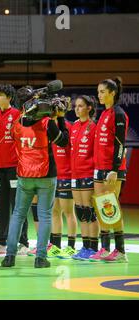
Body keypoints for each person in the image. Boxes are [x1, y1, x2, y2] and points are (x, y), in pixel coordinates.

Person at [1, 97, 69, 268]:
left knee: (18, 214)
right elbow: (63, 141)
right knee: (45, 215)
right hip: (46, 175)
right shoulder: (47, 123)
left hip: (24, 175)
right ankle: (40, 258)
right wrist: (60, 117)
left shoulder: (16, 123)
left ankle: (9, 256)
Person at [91, 77, 129, 263]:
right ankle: (105, 248)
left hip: (112, 169)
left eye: (103, 92)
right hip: (99, 168)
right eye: (98, 92)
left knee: (111, 208)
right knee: (101, 208)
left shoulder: (118, 114)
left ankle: (120, 250)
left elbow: (120, 144)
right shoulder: (104, 113)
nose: (99, 95)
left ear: (112, 93)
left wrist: (114, 169)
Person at [0, 84, 29, 254]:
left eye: (1, 95)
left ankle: (23, 241)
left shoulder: (17, 115)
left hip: (14, 167)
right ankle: (1, 241)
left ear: (9, 98)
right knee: (0, 206)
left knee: (17, 205)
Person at [69, 96, 100, 260]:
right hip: (75, 174)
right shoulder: (74, 126)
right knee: (80, 210)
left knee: (89, 211)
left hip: (87, 173)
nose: (77, 109)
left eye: (81, 106)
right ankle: (85, 246)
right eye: (76, 106)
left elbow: (96, 153)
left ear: (89, 108)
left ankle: (93, 247)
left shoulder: (93, 127)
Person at [48, 119, 78, 258]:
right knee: (54, 211)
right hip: (54, 175)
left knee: (68, 212)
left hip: (67, 175)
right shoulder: (49, 127)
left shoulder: (69, 127)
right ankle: (56, 246)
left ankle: (71, 246)